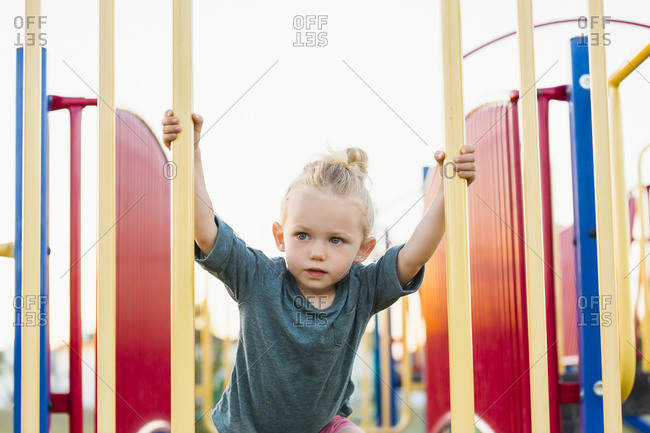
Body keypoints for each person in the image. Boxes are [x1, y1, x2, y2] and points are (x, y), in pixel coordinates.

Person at [161, 109, 476, 433]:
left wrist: (446, 192)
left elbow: (413, 256)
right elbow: (205, 230)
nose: (317, 252)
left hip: (323, 426)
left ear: (363, 250)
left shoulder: (362, 290)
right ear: (280, 236)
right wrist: (191, 153)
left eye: (336, 240)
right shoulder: (257, 278)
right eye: (303, 235)